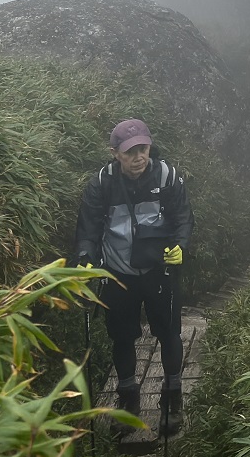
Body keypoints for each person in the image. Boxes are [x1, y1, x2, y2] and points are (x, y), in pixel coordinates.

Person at [74, 118, 192, 434]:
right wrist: (86, 259)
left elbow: (183, 218)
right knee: (122, 337)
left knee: (168, 334)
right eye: (130, 152)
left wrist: (180, 246)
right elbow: (88, 228)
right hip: (117, 273)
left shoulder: (166, 176)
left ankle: (172, 401)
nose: (138, 157)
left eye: (143, 148)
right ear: (115, 153)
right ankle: (128, 404)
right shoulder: (102, 183)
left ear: (149, 146)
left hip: (159, 270)